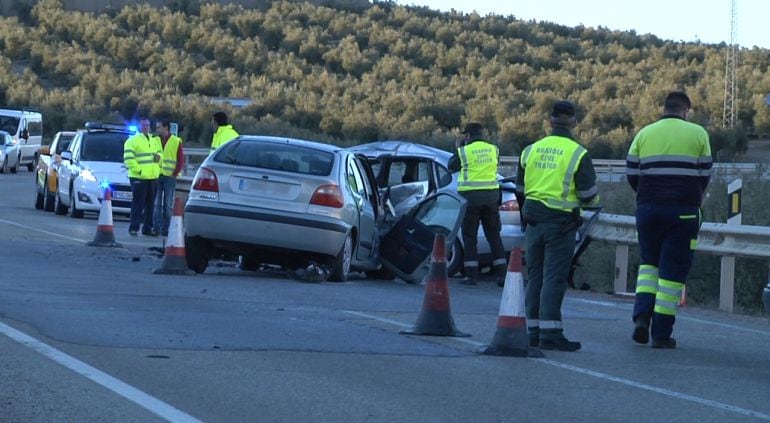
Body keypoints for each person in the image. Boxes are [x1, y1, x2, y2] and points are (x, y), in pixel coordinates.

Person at [626, 91, 712, 349]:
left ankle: (642, 317)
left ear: (665, 109)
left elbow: (631, 172)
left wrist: (647, 195)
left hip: (648, 209)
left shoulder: (644, 133)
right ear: (686, 111)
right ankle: (661, 334)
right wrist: (692, 195)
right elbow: (705, 173)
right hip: (683, 211)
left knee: (648, 265)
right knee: (672, 274)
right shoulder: (698, 134)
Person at [516, 100, 599, 352]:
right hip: (560, 223)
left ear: (550, 121)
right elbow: (589, 195)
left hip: (533, 221)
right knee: (554, 277)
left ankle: (533, 331)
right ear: (573, 122)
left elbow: (520, 189)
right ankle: (551, 333)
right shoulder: (577, 153)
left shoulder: (530, 150)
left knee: (535, 277)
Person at [448, 123, 507, 286]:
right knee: (494, 236)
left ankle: (471, 276)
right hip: (491, 198)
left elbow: (451, 167)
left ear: (467, 136)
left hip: (471, 199)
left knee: (469, 237)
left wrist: (457, 149)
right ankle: (502, 276)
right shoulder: (493, 150)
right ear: (482, 134)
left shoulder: (464, 152)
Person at [123, 118, 162, 237]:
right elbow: (129, 159)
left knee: (150, 205)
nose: (146, 127)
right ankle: (134, 228)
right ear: (140, 127)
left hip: (152, 177)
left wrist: (159, 157)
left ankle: (147, 228)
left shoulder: (155, 141)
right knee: (138, 204)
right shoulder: (132, 141)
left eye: (148, 125)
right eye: (144, 125)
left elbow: (161, 154)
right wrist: (139, 171)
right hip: (139, 177)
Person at [153, 120, 185, 237]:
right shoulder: (155, 140)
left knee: (167, 204)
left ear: (166, 127)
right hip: (157, 175)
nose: (157, 130)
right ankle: (156, 228)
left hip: (169, 177)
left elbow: (180, 160)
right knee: (157, 204)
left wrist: (174, 173)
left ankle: (166, 229)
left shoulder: (176, 141)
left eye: (159, 127)